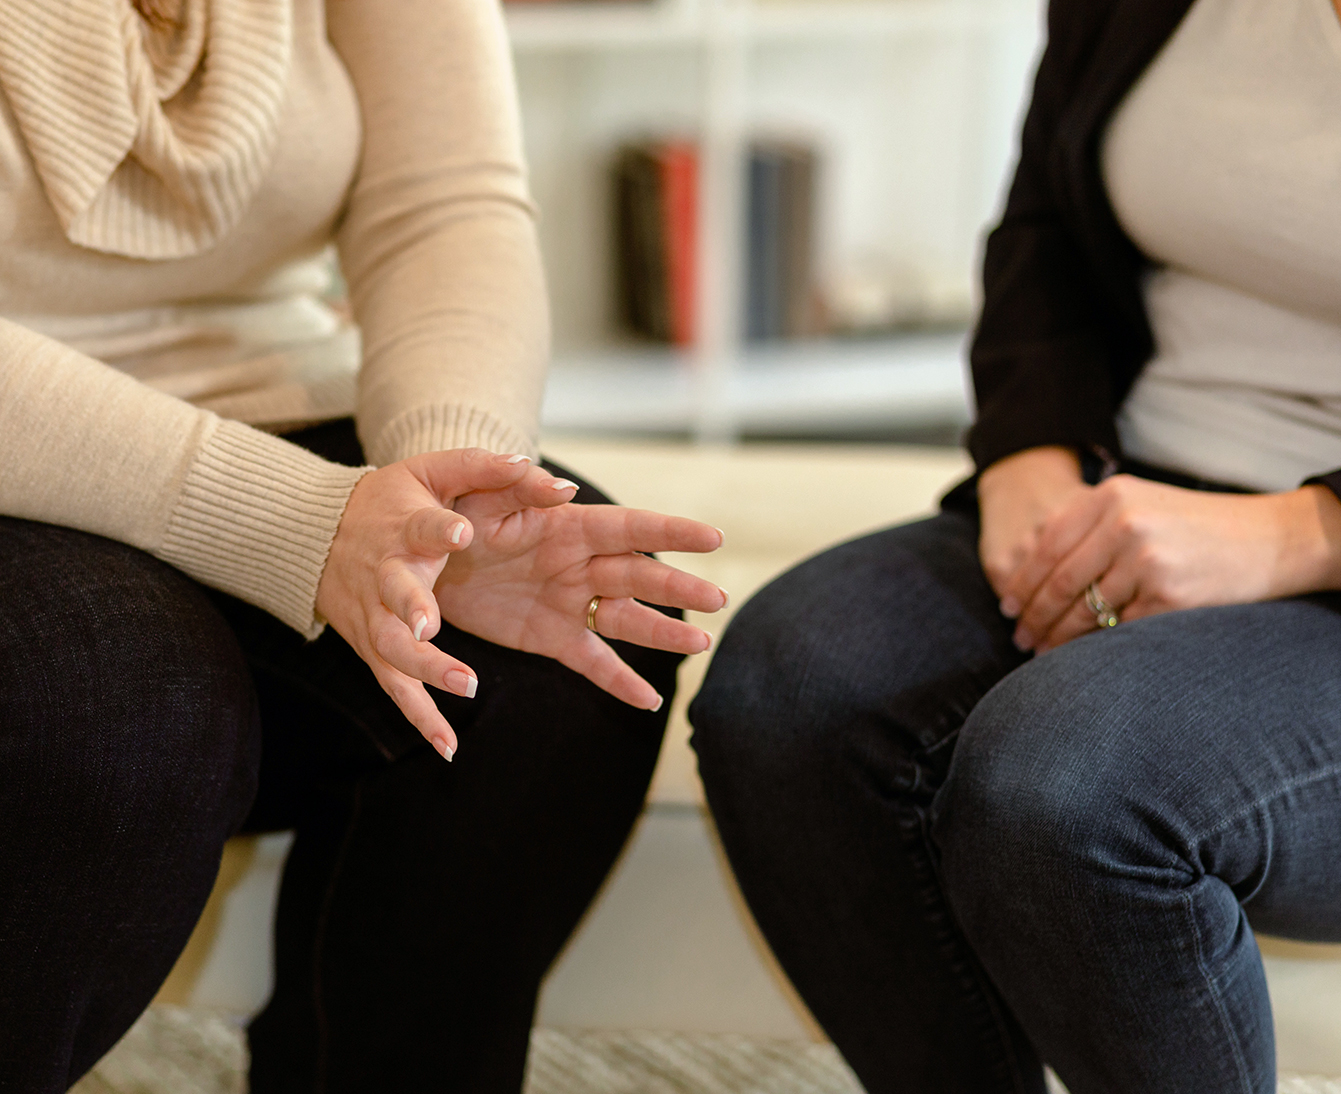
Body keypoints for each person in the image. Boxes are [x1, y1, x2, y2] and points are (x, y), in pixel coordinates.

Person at [0, 1, 727, 1091]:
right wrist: (303, 525)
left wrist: (453, 496)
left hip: (266, 396)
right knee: (122, 706)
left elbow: (445, 207)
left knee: (557, 656)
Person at [690, 0, 1341, 1091]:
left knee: (1067, 781)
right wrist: (1030, 447)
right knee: (787, 690)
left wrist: (1298, 531)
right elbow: (1047, 221)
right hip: (1134, 483)